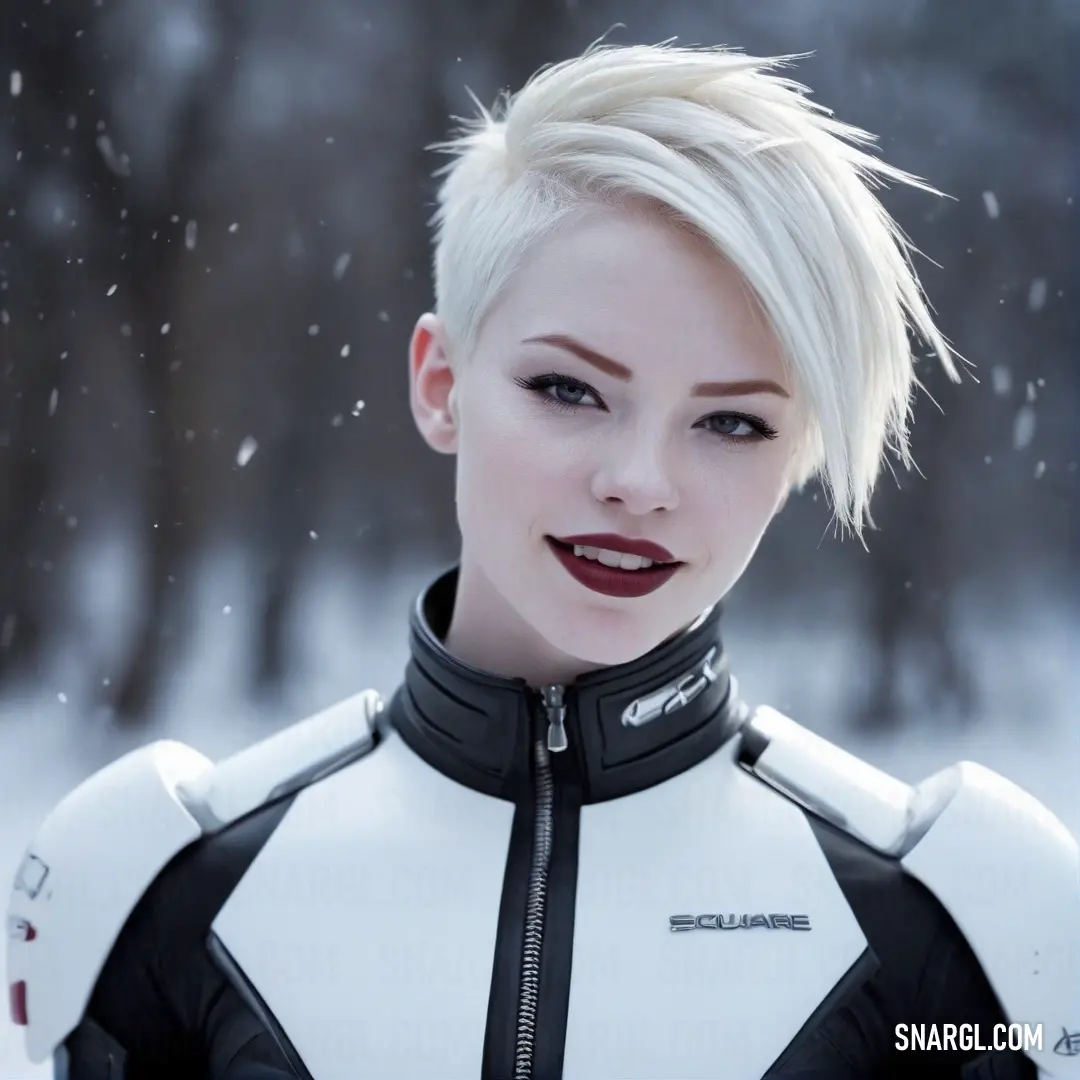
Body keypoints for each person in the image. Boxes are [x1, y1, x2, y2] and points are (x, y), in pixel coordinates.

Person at [6, 41, 1077, 1080]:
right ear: (441, 383)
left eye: (733, 424)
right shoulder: (163, 893)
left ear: (801, 454)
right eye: (570, 389)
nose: (641, 481)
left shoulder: (955, 930)